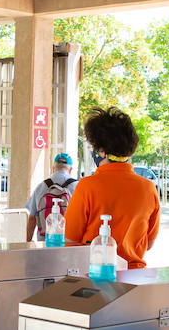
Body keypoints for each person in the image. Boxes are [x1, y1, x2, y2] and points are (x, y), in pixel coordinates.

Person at [63, 107, 160, 269]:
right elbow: (149, 244)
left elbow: (70, 240)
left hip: (95, 274)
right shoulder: (149, 188)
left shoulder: (87, 186)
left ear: (101, 151)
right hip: (135, 275)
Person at [25, 152, 78, 241]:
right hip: (69, 242)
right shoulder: (78, 187)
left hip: (45, 242)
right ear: (70, 169)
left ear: (53, 168)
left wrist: (28, 242)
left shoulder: (40, 187)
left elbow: (32, 219)